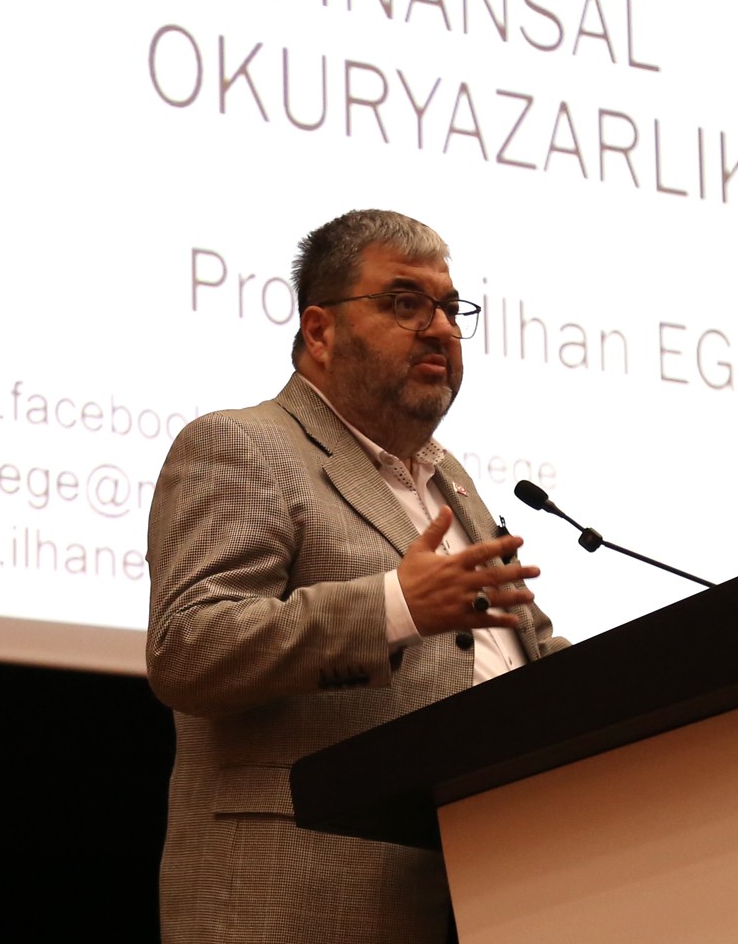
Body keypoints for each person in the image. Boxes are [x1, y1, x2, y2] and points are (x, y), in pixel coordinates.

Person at [146, 209, 567, 942]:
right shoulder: (242, 444)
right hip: (296, 899)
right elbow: (188, 646)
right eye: (406, 303)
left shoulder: (452, 481)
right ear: (319, 331)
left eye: (450, 308)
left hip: (482, 888)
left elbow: (512, 653)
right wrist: (393, 607)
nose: (440, 328)